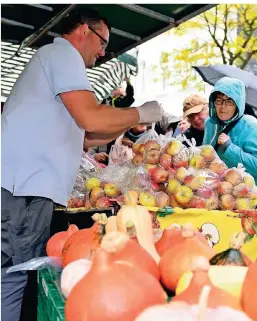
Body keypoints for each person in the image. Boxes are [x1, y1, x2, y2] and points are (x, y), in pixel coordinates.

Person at [1, 8, 163, 321]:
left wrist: (133, 120)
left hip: (22, 187)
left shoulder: (52, 61)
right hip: (24, 190)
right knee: (14, 277)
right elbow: (90, 117)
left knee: (10, 277)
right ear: (83, 31)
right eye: (103, 43)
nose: (104, 53)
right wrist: (140, 113)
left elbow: (87, 135)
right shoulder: (63, 56)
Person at [203, 77, 257, 200]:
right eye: (219, 101)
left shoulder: (250, 125)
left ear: (238, 103)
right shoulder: (210, 123)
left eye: (229, 101)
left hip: (247, 201)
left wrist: (229, 148)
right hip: (216, 200)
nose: (223, 106)